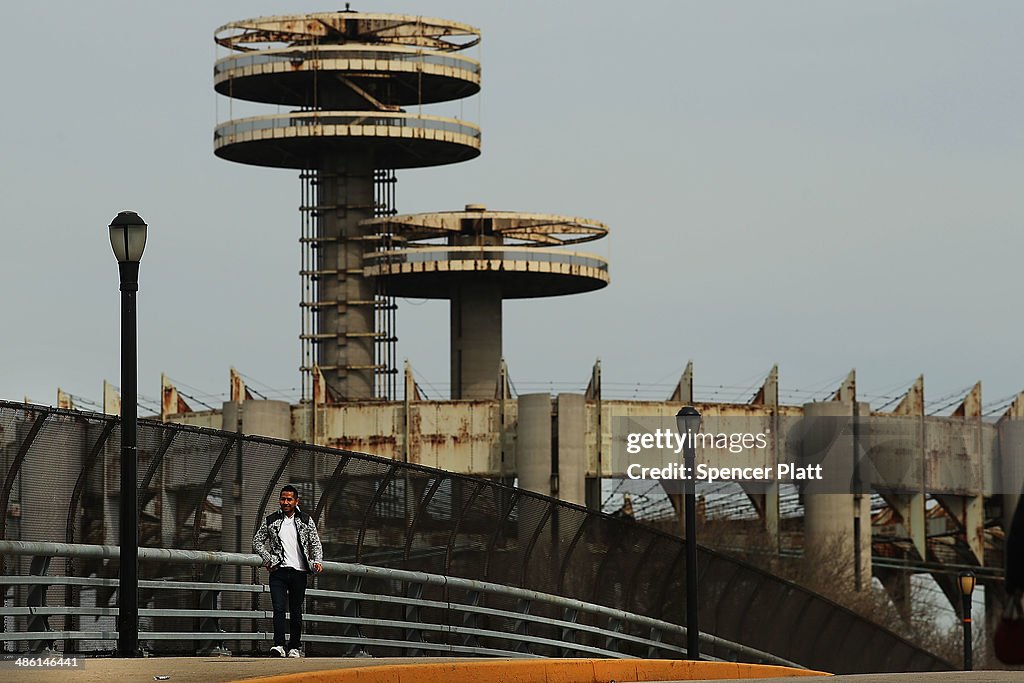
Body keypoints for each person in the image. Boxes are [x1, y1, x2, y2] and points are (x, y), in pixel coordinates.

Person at [253, 485, 324, 657]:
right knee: (278, 608)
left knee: (296, 610)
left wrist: (317, 561)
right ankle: (278, 645)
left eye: (289, 499)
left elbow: (315, 543)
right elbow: (257, 541)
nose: (285, 502)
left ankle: (294, 647)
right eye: (283, 499)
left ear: (296, 501)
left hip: (299, 571)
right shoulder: (271, 520)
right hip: (278, 571)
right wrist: (269, 558)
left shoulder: (306, 520)